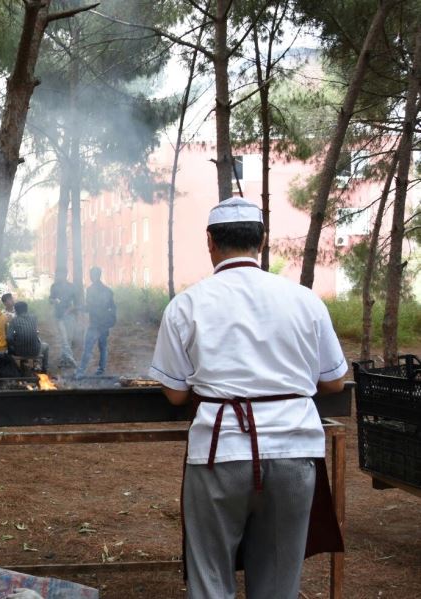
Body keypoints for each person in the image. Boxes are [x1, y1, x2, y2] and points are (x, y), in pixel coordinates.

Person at [148, 197, 347, 599]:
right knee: (278, 583)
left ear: (211, 242)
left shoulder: (187, 304)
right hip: (293, 450)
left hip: (220, 453)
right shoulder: (305, 299)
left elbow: (173, 392)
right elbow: (335, 383)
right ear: (262, 240)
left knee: (210, 579)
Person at [74, 266, 116, 378]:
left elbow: (90, 307)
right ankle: (101, 370)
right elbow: (112, 307)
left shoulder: (91, 290)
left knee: (88, 348)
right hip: (103, 324)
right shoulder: (108, 290)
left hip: (96, 324)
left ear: (96, 275)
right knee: (102, 347)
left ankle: (81, 371)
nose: (91, 277)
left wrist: (77, 308)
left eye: (92, 275)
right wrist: (110, 321)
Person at [6, 301, 48, 371]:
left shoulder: (14, 321)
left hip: (19, 351)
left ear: (16, 311)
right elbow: (30, 331)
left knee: (20, 342)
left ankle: (23, 369)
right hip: (35, 351)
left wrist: (15, 343)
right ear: (26, 309)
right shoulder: (34, 318)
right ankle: (44, 369)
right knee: (46, 346)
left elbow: (9, 338)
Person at [49, 268, 77, 368]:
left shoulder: (71, 287)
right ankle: (71, 359)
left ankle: (64, 360)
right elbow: (50, 299)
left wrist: (71, 309)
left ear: (65, 275)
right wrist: (54, 300)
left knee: (68, 339)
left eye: (61, 274)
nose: (59, 276)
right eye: (58, 274)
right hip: (59, 316)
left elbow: (76, 302)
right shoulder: (54, 286)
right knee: (64, 338)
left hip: (70, 316)